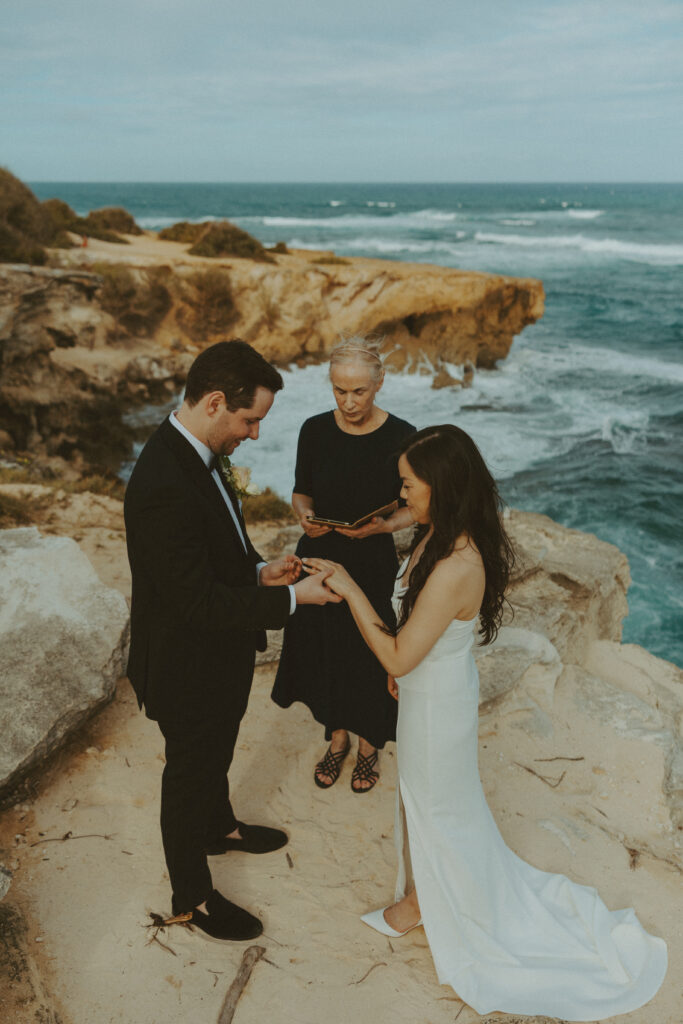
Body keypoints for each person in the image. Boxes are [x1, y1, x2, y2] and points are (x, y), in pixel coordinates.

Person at [305, 424, 667, 1020]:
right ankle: (422, 898)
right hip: (431, 688)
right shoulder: (439, 532)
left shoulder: (456, 565)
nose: (401, 495)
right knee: (427, 802)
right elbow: (416, 638)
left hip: (438, 706)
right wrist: (374, 530)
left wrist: (346, 587)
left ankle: (433, 904)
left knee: (440, 806)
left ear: (440, 489)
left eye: (408, 486)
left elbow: (396, 653)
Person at [124, 340, 339, 944]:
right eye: (250, 420)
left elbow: (210, 552)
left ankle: (218, 827)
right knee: (190, 770)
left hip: (214, 650)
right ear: (215, 403)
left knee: (218, 744)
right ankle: (191, 896)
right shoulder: (164, 479)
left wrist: (259, 571)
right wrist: (294, 600)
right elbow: (193, 602)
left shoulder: (198, 454)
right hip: (183, 660)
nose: (255, 433)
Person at [271, 339, 415, 792]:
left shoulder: (404, 436)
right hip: (321, 557)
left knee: (371, 655)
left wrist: (383, 528)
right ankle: (336, 740)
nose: (349, 402)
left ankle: (370, 745)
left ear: (379, 384)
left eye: (358, 391)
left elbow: (418, 505)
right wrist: (303, 516)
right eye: (339, 391)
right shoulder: (313, 429)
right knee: (328, 653)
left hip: (371, 562)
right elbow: (301, 492)